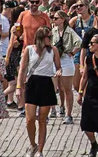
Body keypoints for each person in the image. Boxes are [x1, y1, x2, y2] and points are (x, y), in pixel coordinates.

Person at [17, 24, 60, 157]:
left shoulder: (53, 50)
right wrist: (19, 87)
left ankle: (40, 150)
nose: (50, 39)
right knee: (30, 118)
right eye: (48, 37)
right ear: (41, 38)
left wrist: (58, 72)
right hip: (32, 83)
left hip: (46, 83)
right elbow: (22, 69)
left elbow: (58, 66)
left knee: (42, 119)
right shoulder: (29, 49)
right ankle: (33, 144)